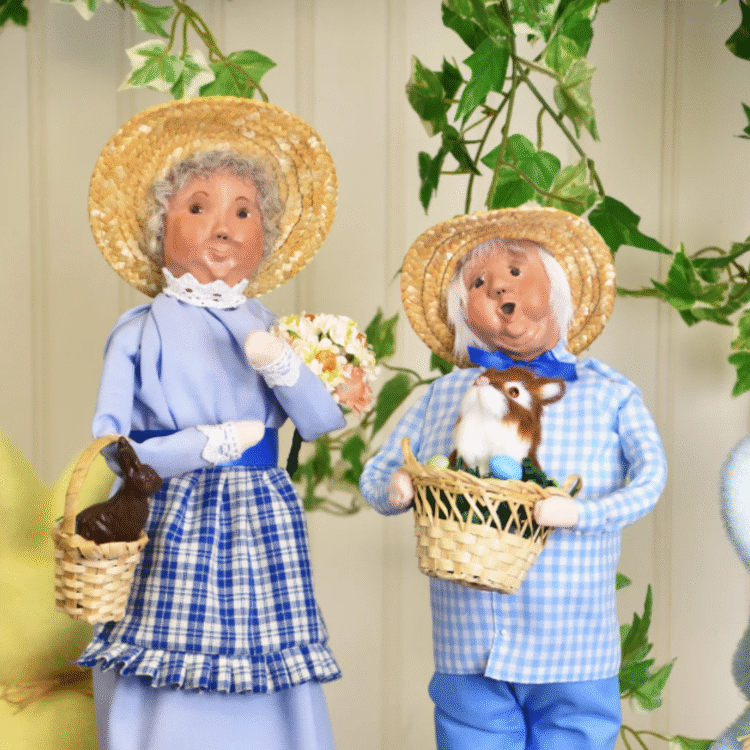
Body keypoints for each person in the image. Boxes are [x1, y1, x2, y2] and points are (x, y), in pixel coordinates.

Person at [76, 97, 346, 750]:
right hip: (172, 512)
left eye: (243, 212)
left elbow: (319, 420)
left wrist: (283, 365)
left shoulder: (268, 325)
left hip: (259, 514)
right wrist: (204, 445)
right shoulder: (140, 332)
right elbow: (112, 445)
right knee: (165, 645)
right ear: (158, 228)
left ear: (265, 237)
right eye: (198, 208)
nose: (222, 227)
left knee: (266, 647)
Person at [359, 206, 667, 750]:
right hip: (469, 639)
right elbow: (379, 473)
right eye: (478, 283)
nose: (499, 286)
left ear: (559, 288)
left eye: (517, 271)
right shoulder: (443, 395)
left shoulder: (609, 394)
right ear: (463, 311)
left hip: (572, 642)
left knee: (576, 737)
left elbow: (651, 477)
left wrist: (584, 514)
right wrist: (400, 487)